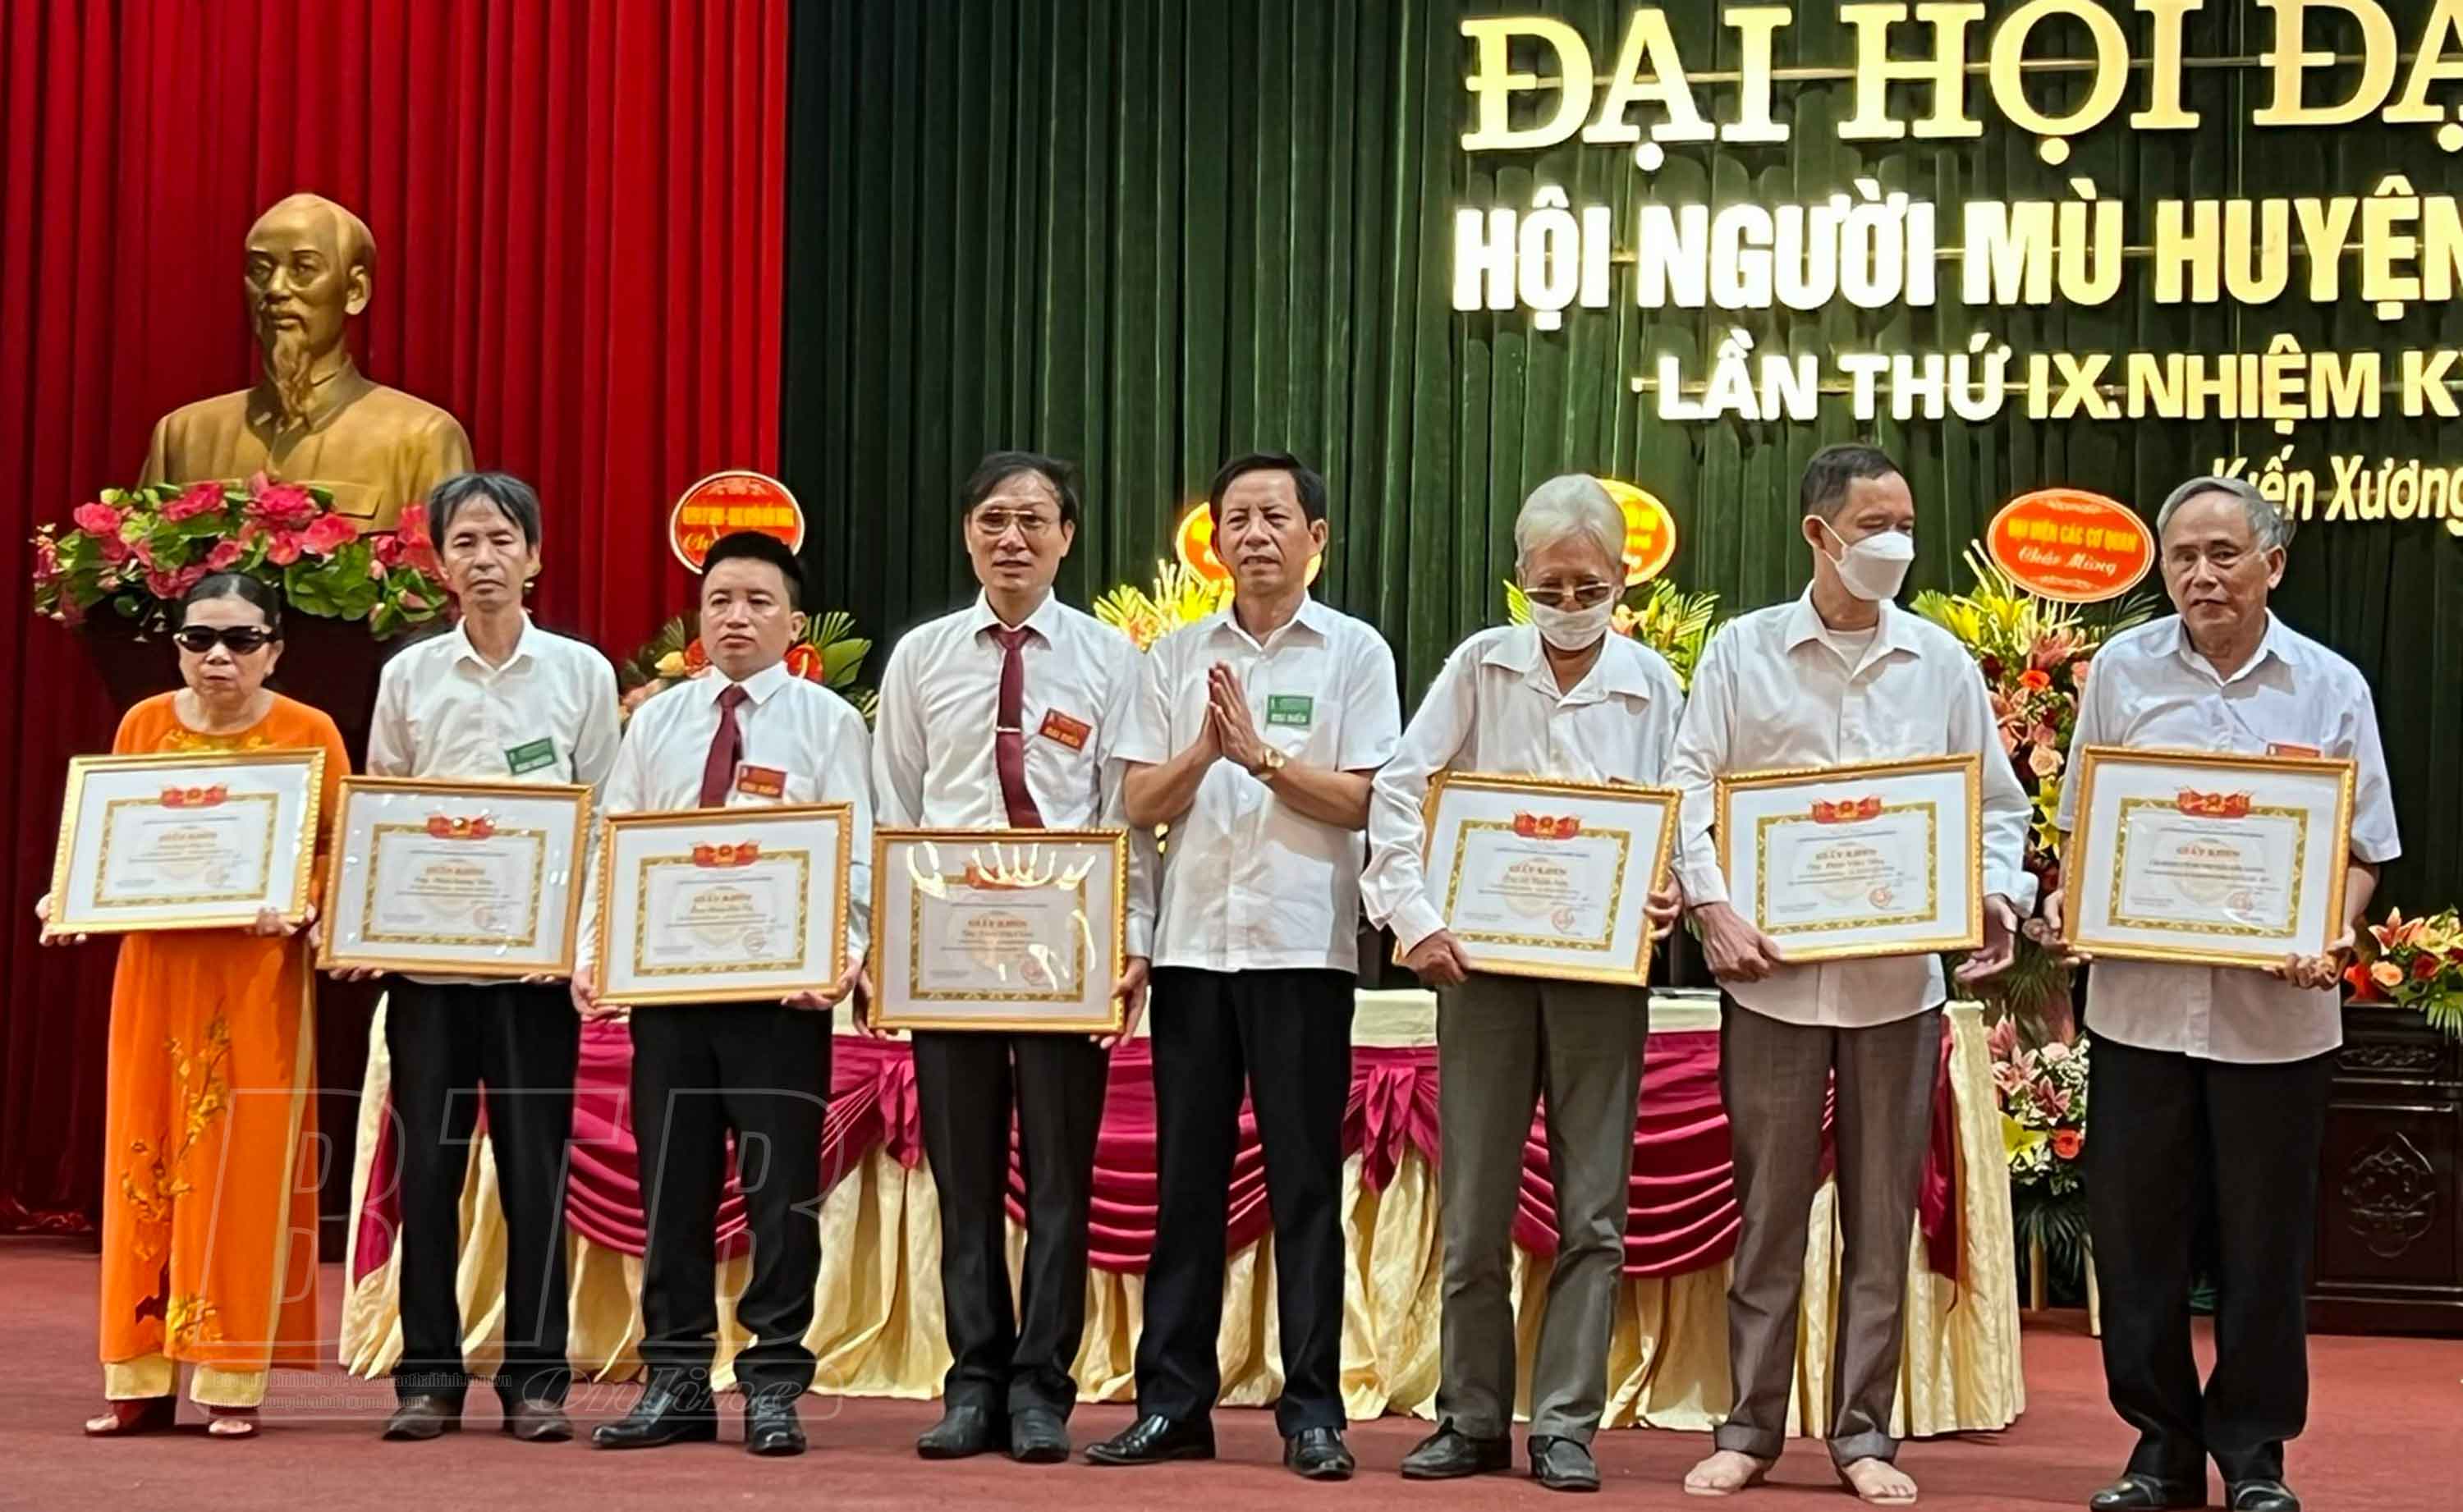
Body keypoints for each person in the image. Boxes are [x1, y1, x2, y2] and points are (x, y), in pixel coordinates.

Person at [1667, 444, 2029, 1506]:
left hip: (1898, 989)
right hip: (1771, 982)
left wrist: (1994, 895)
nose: (1897, 545)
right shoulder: (1742, 654)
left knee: (1881, 1222)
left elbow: (1997, 806)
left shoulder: (1941, 662)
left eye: (1907, 525)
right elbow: (1688, 790)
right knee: (1769, 1215)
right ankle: (1748, 1429)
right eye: (1876, 526)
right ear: (1818, 535)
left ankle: (1865, 1434)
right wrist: (1712, 905)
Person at [2048, 477, 2396, 1512]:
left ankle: (2254, 1454)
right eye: (2183, 557)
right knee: (2138, 1241)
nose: (2202, 575)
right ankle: (2159, 1449)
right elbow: (2081, 823)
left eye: (2224, 554)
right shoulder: (2123, 670)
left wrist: (2332, 927)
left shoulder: (2330, 686)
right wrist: (2073, 900)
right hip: (2141, 1011)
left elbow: (2363, 848)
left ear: (2272, 564)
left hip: (2276, 1021)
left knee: (2264, 1245)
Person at [1364, 475, 1686, 1493]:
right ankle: (1469, 1417)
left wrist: (1675, 885)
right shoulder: (1479, 666)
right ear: (1519, 579)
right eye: (1550, 587)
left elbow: (1686, 811)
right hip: (1483, 969)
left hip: (1602, 976)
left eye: (1589, 586)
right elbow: (1399, 788)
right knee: (1474, 1210)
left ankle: (1565, 1426)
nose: (1570, 603)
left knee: (1593, 1214)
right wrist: (1413, 916)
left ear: (1623, 578)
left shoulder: (1654, 685)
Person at [1085, 451, 1400, 1481]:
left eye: (1276, 516)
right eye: (1237, 518)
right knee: (1186, 1186)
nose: (1255, 534)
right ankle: (1173, 1404)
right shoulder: (1175, 656)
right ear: (1213, 540)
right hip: (1191, 954)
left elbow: (1368, 801)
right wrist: (1208, 752)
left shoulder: (1355, 653)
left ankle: (1313, 1413)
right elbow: (1138, 802)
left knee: (1304, 1186)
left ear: (1317, 538)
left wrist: (1263, 756)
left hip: (1303, 952)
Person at [869, 451, 1156, 1464]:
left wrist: (1134, 939)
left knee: (1060, 1183)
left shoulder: (1111, 661)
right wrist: (883, 941)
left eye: (1034, 520)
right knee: (965, 1178)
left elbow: (1125, 815)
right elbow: (894, 806)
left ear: (1067, 538)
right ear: (967, 534)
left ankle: (1042, 1388)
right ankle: (973, 1381)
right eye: (994, 519)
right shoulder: (922, 658)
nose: (1013, 538)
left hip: (1065, 956)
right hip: (949, 952)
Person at [574, 530, 872, 1458]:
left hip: (782, 1003)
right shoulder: (658, 722)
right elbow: (613, 841)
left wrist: (843, 955)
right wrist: (594, 951)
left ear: (794, 622)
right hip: (669, 997)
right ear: (698, 619)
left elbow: (857, 852)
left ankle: (774, 1384)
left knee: (782, 1194)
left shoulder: (829, 723)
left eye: (757, 601)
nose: (737, 617)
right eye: (720, 602)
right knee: (673, 1188)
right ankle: (674, 1381)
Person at [45, 574, 349, 1439]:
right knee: (143, 1151)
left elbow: (335, 849)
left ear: (275, 650)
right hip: (157, 967)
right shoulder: (144, 724)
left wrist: (303, 902)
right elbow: (113, 835)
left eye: (241, 640)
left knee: (241, 1158)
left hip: (254, 972)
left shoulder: (309, 733)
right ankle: (136, 1375)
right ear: (177, 647)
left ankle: (229, 1376)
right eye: (199, 639)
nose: (219, 656)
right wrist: (73, 896)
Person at [350, 472, 620, 1442]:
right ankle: (427, 1378)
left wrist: (579, 948)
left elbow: (605, 819)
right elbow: (382, 810)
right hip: (427, 974)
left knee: (535, 1171)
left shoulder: (580, 674)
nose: (485, 559)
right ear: (439, 563)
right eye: (464, 542)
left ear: (534, 556)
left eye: (502, 540)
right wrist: (368, 929)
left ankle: (536, 1380)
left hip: (534, 980)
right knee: (428, 1171)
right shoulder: (409, 677)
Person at [140, 193, 473, 530]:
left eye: (303, 269)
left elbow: (453, 559)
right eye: (260, 270)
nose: (275, 289)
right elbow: (139, 556)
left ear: (354, 291)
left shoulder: (422, 437)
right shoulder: (183, 435)